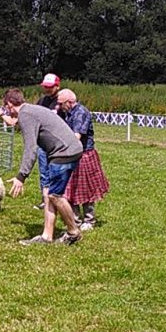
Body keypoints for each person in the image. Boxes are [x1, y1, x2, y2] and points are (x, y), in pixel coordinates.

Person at [2, 88, 84, 245]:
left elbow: (30, 148)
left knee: (55, 195)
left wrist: (21, 176)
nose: (7, 110)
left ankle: (73, 232)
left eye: (6, 107)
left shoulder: (25, 114)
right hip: (65, 150)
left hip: (65, 153)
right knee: (48, 193)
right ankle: (47, 236)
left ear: (10, 104)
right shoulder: (31, 110)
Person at [57, 89, 109, 230]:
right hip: (70, 154)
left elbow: (76, 137)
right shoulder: (65, 112)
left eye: (61, 103)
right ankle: (74, 220)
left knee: (87, 188)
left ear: (69, 102)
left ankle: (89, 220)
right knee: (70, 188)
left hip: (84, 154)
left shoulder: (81, 112)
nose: (58, 106)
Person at [32, 73, 62, 210]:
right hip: (43, 143)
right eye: (46, 87)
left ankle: (59, 198)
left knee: (58, 172)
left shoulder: (62, 101)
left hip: (58, 143)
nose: (47, 89)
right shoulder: (42, 101)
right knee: (44, 172)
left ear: (57, 86)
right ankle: (45, 199)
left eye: (50, 87)